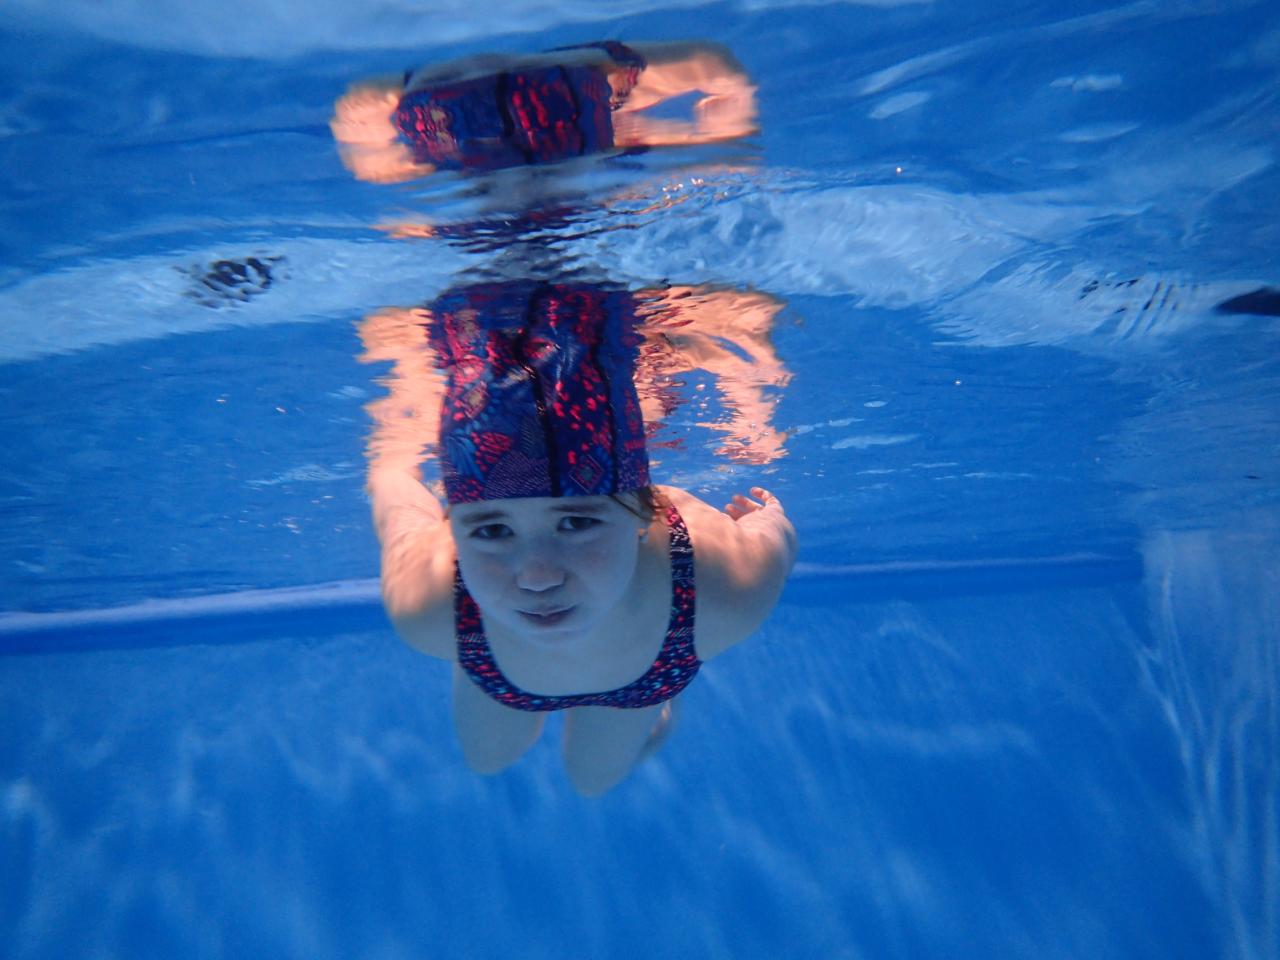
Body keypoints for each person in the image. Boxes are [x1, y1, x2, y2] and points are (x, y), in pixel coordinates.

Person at [363, 279, 796, 795]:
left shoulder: (724, 587)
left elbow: (777, 535)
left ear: (646, 512)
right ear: (453, 530)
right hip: (496, 664)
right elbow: (398, 501)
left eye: (577, 523)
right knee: (487, 761)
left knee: (591, 780)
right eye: (493, 530)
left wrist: (767, 518)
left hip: (648, 672)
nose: (538, 577)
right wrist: (389, 466)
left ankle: (664, 705)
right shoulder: (429, 607)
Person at [331, 40, 758, 183]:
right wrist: (729, 139)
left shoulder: (598, 89)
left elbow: (712, 61)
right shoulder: (597, 94)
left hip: (451, 99)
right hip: (549, 89)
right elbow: (715, 62)